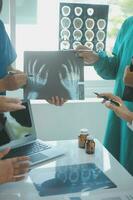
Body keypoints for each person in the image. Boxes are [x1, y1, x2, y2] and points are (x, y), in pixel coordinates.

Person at [76, 16, 133, 175]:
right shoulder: (129, 24)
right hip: (121, 114)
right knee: (119, 176)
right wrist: (96, 58)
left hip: (130, 115)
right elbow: (116, 69)